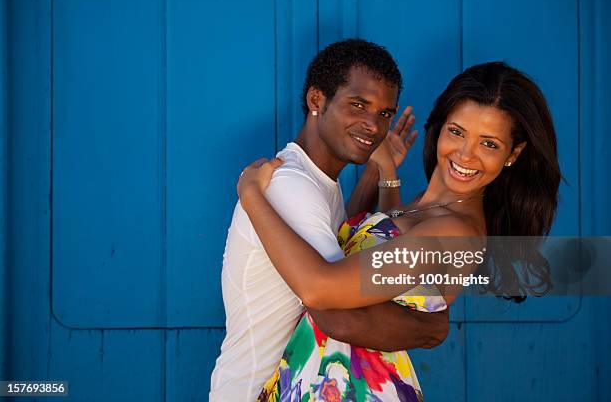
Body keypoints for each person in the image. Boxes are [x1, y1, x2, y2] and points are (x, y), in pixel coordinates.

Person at [237, 61, 562, 401]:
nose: (466, 155)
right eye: (457, 132)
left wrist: (252, 196)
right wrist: (381, 173)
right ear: (440, 126)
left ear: (513, 154)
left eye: (489, 144)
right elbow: (355, 248)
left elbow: (321, 292)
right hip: (325, 377)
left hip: (352, 389)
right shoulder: (426, 206)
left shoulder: (453, 232)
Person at [209, 39, 451, 402]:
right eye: (358, 105)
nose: (373, 125)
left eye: (385, 113)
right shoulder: (290, 184)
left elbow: (361, 240)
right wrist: (432, 327)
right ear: (316, 100)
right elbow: (333, 303)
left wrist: (382, 170)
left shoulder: (320, 183)